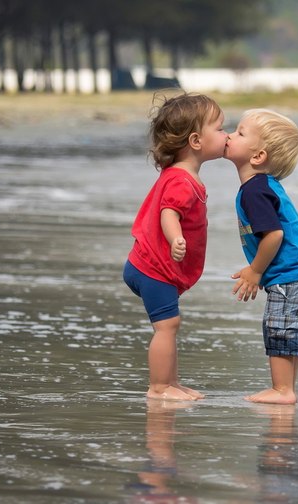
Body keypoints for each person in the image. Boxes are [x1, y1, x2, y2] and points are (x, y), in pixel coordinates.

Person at [123, 92, 227, 401]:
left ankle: (172, 382)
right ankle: (159, 387)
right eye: (220, 129)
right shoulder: (182, 180)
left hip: (150, 264)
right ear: (196, 141)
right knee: (167, 326)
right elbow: (169, 212)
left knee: (170, 325)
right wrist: (175, 238)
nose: (226, 135)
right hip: (153, 267)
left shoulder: (184, 175)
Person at [225, 109, 298, 405]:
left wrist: (255, 272)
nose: (231, 135)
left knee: (280, 328)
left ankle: (283, 390)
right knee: (288, 332)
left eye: (240, 133)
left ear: (258, 156)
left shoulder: (254, 190)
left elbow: (274, 235)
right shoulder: (262, 186)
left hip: (295, 275)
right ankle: (286, 388)